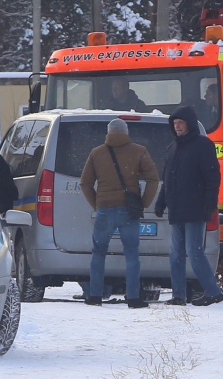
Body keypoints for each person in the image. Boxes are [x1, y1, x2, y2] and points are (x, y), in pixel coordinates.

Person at [79, 118, 160, 308]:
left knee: (99, 252)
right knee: (131, 254)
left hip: (105, 210)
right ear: (126, 132)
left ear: (108, 133)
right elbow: (153, 180)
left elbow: (85, 183)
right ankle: (133, 297)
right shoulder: (139, 151)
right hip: (128, 210)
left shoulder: (96, 153)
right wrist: (143, 204)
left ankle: (95, 295)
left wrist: (97, 203)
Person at [154, 106, 223, 306]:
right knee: (176, 253)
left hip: (195, 207)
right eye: (175, 123)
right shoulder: (172, 147)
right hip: (177, 208)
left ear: (189, 124)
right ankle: (179, 295)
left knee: (194, 251)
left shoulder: (203, 145)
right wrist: (161, 201)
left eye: (181, 123)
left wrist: (211, 200)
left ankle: (213, 291)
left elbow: (212, 175)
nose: (177, 127)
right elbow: (167, 179)